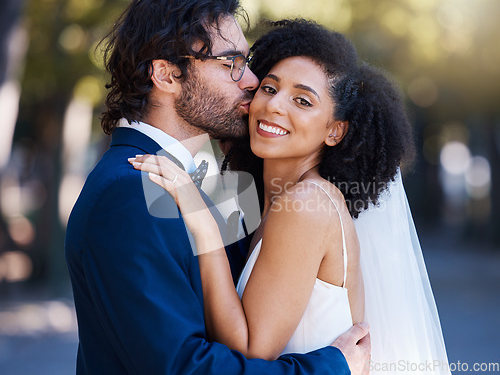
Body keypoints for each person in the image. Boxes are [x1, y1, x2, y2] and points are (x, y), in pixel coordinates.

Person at [65, 0, 369, 374]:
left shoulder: (205, 184)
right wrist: (332, 367)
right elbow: (185, 367)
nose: (253, 81)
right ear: (167, 75)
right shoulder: (129, 193)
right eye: (232, 64)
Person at [131, 19, 450, 374]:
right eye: (269, 89)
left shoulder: (305, 205)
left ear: (334, 131)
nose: (274, 106)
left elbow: (251, 350)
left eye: (302, 100)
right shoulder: (273, 200)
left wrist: (204, 226)